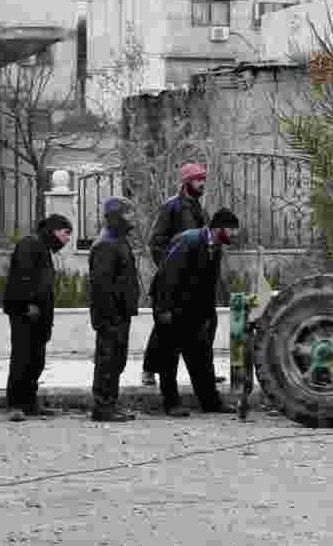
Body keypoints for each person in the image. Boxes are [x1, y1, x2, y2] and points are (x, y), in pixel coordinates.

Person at [152, 208, 240, 415]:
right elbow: (167, 274)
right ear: (219, 228)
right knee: (169, 360)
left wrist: (209, 315)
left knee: (202, 359)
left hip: (195, 312)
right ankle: (171, 404)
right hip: (172, 309)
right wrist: (164, 309)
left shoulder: (216, 247)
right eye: (232, 230)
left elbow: (208, 285)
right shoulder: (189, 240)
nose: (234, 234)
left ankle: (211, 403)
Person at [141, 163, 211, 387]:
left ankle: (204, 372)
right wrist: (169, 270)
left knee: (202, 326)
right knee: (164, 328)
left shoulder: (199, 208)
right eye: (198, 179)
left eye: (203, 179)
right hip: (174, 281)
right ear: (186, 182)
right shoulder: (171, 207)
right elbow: (156, 242)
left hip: (194, 280)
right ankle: (149, 370)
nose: (202, 183)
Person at [2, 214, 73, 422]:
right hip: (25, 313)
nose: (67, 239)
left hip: (39, 314)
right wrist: (29, 304)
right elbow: (23, 278)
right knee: (22, 357)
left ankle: (30, 403)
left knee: (36, 360)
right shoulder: (30, 244)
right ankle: (15, 404)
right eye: (65, 233)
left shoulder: (43, 248)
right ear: (54, 230)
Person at [89, 198, 141, 423]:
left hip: (119, 314)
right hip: (111, 316)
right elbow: (102, 286)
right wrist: (111, 316)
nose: (133, 218)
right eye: (128, 214)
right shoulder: (106, 244)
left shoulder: (117, 241)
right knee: (108, 361)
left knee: (116, 361)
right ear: (117, 216)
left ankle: (111, 403)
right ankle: (103, 407)